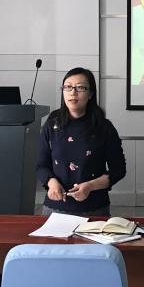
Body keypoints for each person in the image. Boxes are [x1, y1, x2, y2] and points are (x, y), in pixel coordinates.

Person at [36, 67, 126, 217]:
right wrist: (51, 182)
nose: (73, 92)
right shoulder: (52, 124)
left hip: (95, 210)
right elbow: (41, 165)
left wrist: (90, 186)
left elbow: (119, 169)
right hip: (55, 209)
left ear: (90, 94)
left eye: (80, 87)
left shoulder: (104, 127)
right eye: (68, 87)